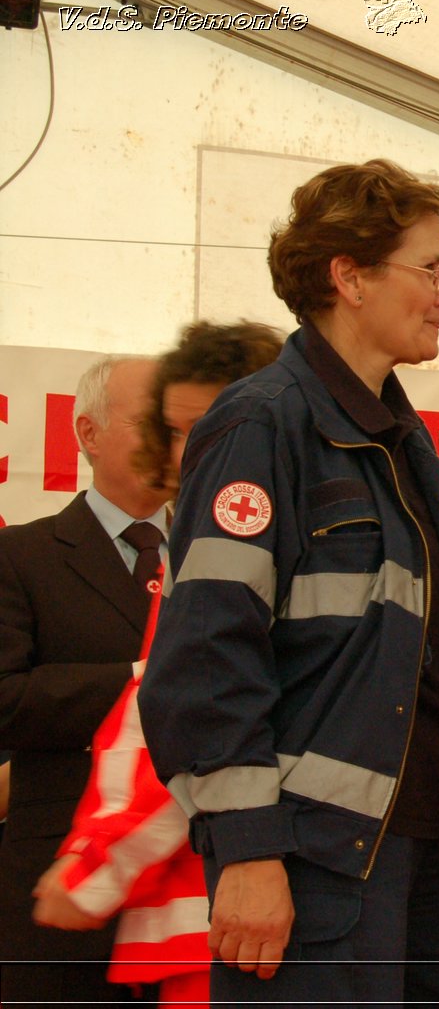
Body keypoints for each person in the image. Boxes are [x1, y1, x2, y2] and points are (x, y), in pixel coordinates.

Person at [140, 159, 439, 1004]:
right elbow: (205, 656)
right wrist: (247, 851)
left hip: (435, 858)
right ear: (349, 276)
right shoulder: (259, 423)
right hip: (318, 864)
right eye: (431, 269)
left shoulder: (405, 442)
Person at [31, 321, 283, 1005]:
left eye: (194, 428)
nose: (177, 452)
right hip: (224, 906)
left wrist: (94, 871)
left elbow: (191, 721)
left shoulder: (236, 534)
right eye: (166, 430)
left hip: (222, 910)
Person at [0, 355, 167, 1004]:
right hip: (66, 888)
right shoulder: (23, 556)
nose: (168, 439)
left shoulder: (222, 555)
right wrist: (141, 680)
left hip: (196, 897)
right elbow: (7, 699)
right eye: (148, 420)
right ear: (88, 433)